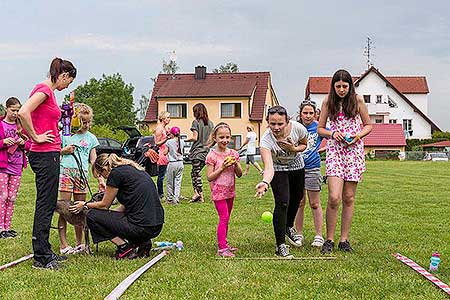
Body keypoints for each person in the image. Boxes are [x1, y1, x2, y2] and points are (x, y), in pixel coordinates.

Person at [18, 57, 77, 270]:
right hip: (44, 154)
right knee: (45, 203)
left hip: (48, 153)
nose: (68, 85)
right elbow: (23, 112)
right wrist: (36, 137)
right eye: (69, 81)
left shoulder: (46, 92)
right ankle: (41, 257)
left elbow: (32, 116)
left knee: (48, 202)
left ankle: (45, 249)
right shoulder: (44, 90)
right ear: (63, 75)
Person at [317, 69, 372, 254]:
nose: (341, 90)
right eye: (338, 86)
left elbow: (369, 125)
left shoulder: (358, 100)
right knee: (334, 197)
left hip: (353, 152)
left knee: (349, 197)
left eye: (345, 86)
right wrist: (332, 133)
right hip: (335, 152)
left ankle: (344, 240)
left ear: (350, 86)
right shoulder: (327, 101)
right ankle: (329, 239)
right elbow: (320, 129)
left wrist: (357, 137)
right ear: (333, 86)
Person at [69, 154, 164, 259]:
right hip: (156, 226)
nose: (103, 178)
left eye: (101, 174)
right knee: (106, 217)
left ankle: (124, 247)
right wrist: (108, 218)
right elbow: (125, 206)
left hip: (140, 227)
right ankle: (142, 242)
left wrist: (84, 205)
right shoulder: (135, 170)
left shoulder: (115, 173)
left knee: (91, 216)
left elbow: (104, 205)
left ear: (105, 169)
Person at [255, 106, 308, 258]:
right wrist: (265, 182)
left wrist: (293, 148)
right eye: (272, 124)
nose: (276, 128)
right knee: (282, 202)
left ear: (287, 121)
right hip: (277, 168)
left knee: (297, 198)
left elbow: (305, 145)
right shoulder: (266, 141)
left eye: (280, 124)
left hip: (297, 166)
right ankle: (281, 246)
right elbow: (269, 167)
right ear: (268, 122)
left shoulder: (298, 129)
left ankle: (288, 226)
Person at [58, 104, 105, 254]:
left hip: (81, 175)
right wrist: (64, 151)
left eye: (89, 121)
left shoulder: (91, 138)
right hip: (66, 172)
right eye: (84, 122)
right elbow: (54, 152)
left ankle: (80, 244)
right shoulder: (66, 135)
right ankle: (64, 244)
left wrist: (100, 179)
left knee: (80, 210)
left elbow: (93, 160)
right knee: (64, 209)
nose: (87, 125)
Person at [206, 122, 242, 257]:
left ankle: (225, 243)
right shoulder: (212, 156)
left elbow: (239, 174)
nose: (225, 140)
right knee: (224, 217)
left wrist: (236, 163)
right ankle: (222, 248)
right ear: (215, 138)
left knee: (227, 218)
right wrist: (221, 168)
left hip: (230, 191)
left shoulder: (234, 153)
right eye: (221, 137)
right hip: (218, 192)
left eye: (227, 137)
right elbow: (209, 177)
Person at [294, 100, 325, 248]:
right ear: (300, 114)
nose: (308, 116)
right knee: (299, 202)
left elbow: (331, 138)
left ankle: (319, 235)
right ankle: (298, 234)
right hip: (297, 169)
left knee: (314, 203)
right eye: (305, 113)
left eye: (311, 113)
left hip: (313, 168)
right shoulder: (295, 127)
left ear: (316, 114)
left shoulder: (319, 127)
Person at [0, 97, 31, 239]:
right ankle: (0, 227)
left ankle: (7, 227)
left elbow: (30, 144)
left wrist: (23, 143)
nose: (15, 113)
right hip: (2, 166)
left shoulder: (22, 126)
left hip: (17, 165)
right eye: (13, 110)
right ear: (6, 109)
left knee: (12, 198)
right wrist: (3, 142)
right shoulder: (1, 124)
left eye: (18, 110)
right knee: (3, 196)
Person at [186, 103, 214, 203]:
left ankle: (200, 195)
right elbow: (213, 139)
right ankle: (196, 193)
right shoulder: (210, 124)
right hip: (205, 153)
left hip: (196, 153)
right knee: (194, 173)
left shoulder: (195, 122)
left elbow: (195, 137)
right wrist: (207, 146)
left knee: (196, 174)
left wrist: (184, 140)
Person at [165, 126, 184, 205]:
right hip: (180, 163)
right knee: (178, 181)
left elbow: (165, 152)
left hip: (172, 163)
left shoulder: (169, 142)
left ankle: (169, 198)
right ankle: (176, 198)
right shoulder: (182, 141)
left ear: (172, 134)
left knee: (170, 181)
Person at [154, 111, 171, 200]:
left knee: (165, 175)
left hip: (166, 153)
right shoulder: (159, 129)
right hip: (161, 154)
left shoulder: (165, 128)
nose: (169, 119)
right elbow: (157, 143)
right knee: (161, 176)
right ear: (163, 119)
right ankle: (160, 194)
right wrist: (166, 139)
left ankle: (167, 193)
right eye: (168, 117)